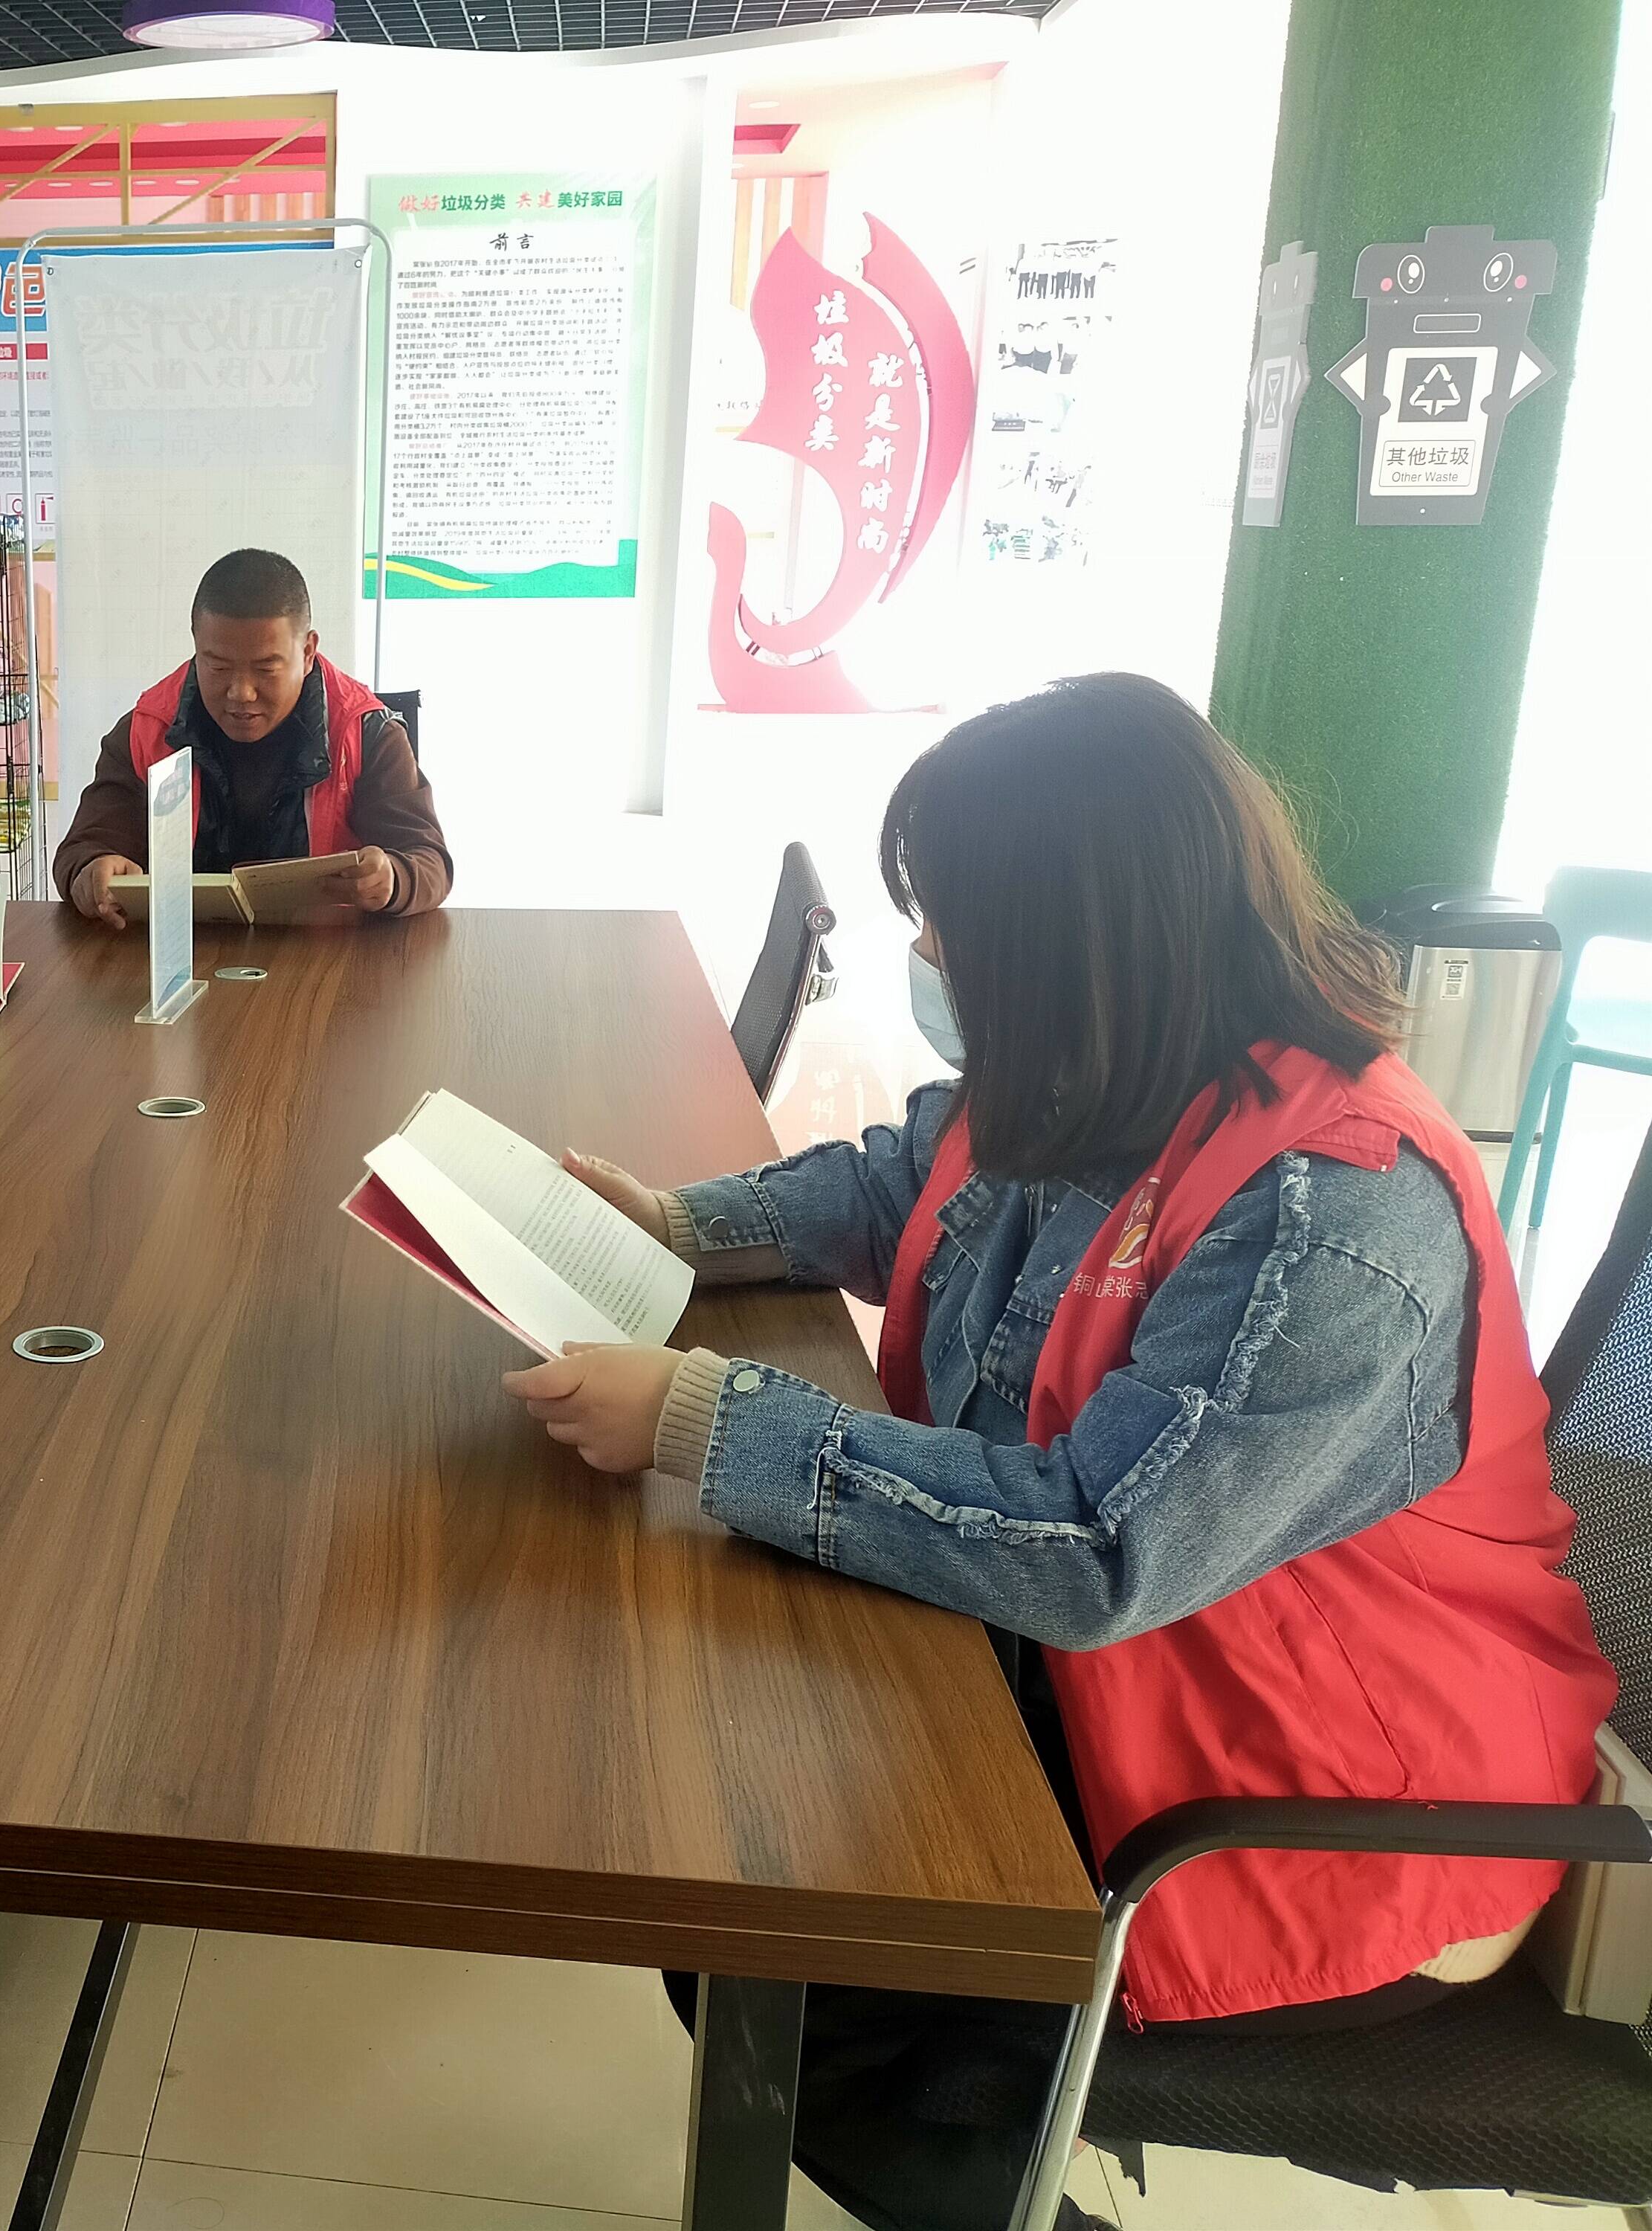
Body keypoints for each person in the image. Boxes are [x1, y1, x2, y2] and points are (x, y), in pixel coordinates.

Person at [498, 675, 1616, 2231]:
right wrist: (680, 1228)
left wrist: (702, 1418)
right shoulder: (1100, 1063)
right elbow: (905, 1181)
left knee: (800, 1973)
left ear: (1075, 939)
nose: (928, 956)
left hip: (1311, 1811)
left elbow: (1100, 1549)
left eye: (950, 922)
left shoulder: (1333, 1212)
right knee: (738, 1844)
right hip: (1115, 1704)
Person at [55, 548, 452, 928]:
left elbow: (429, 860)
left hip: (327, 956)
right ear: (196, 646)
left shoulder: (363, 732)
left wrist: (394, 879)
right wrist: (92, 871)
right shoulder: (150, 729)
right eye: (218, 667)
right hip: (182, 955)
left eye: (266, 669)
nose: (241, 693)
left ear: (308, 651)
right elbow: (83, 850)